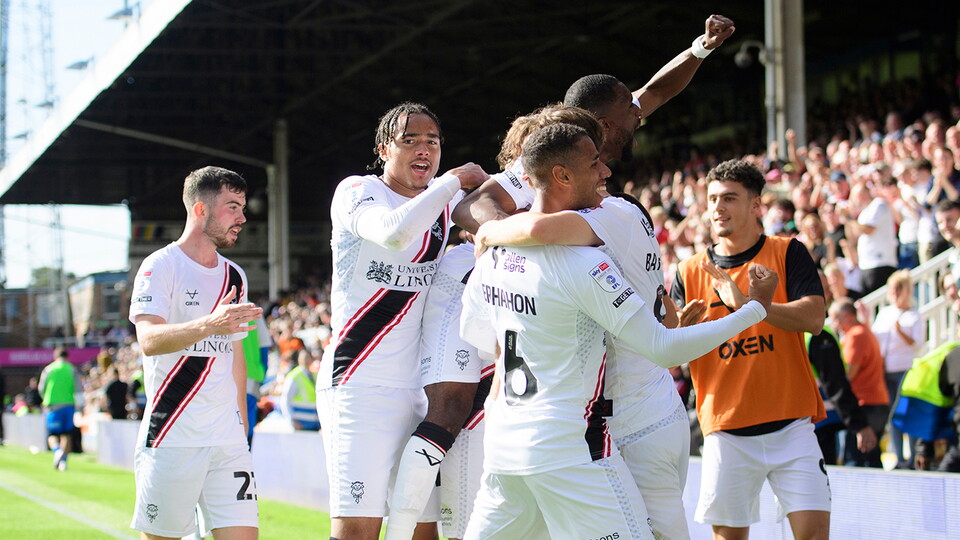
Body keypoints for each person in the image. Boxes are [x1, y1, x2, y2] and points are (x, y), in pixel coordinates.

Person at [460, 124, 776, 540]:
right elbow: (663, 348)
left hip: (503, 449)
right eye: (595, 163)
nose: (606, 171)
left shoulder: (489, 256)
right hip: (569, 450)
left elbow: (483, 340)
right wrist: (754, 309)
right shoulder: (586, 261)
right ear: (562, 175)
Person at [469, 105, 693, 539]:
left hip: (632, 415)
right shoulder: (548, 243)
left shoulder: (609, 215)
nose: (605, 171)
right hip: (577, 425)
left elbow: (536, 229)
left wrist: (490, 233)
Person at [318, 102, 487, 540]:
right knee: (358, 529)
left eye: (433, 141)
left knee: (421, 531)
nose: (424, 149)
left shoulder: (443, 209)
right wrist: (453, 182)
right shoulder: (358, 191)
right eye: (409, 140)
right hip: (359, 383)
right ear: (382, 148)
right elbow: (394, 232)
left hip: (417, 391)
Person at [452, 13, 736, 231]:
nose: (638, 111)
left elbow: (657, 90)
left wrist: (702, 47)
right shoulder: (550, 156)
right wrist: (521, 239)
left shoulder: (601, 130)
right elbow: (471, 207)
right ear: (605, 125)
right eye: (630, 108)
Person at [670, 159, 829, 540]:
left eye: (729, 198)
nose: (718, 208)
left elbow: (814, 318)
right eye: (711, 199)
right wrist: (677, 334)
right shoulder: (689, 271)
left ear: (757, 205)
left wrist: (751, 307)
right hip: (725, 430)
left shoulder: (787, 251)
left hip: (792, 425)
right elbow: (671, 353)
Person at [128, 166, 263, 540]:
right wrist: (208, 325)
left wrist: (242, 425)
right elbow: (149, 340)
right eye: (232, 207)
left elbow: (235, 355)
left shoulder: (235, 275)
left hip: (227, 440)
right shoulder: (160, 265)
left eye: (242, 207)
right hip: (174, 435)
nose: (242, 217)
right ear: (200, 210)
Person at [806, 273, 877, 466]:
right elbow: (836, 383)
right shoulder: (817, 334)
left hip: (801, 426)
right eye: (825, 288)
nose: (829, 293)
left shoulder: (793, 330)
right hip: (818, 424)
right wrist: (859, 424)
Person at [871, 270, 924, 467]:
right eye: (892, 288)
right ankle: (900, 458)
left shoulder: (914, 315)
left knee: (905, 412)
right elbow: (876, 338)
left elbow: (917, 344)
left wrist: (901, 331)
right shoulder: (885, 313)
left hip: (905, 370)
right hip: (885, 370)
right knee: (891, 415)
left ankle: (910, 458)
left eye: (897, 288)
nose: (894, 292)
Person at [828, 298, 889, 468]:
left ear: (847, 316)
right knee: (871, 457)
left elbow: (848, 375)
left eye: (835, 318)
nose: (834, 324)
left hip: (865, 404)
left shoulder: (856, 335)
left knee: (856, 460)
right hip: (876, 401)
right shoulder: (865, 332)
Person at [39, 347, 82, 471]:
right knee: (66, 434)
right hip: (69, 405)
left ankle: (57, 452)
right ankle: (63, 462)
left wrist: (44, 399)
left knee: (52, 434)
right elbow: (78, 388)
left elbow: (42, 387)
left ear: (55, 357)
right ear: (67, 357)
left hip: (53, 405)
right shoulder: (71, 369)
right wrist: (80, 405)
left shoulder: (49, 369)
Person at [279, 349, 320, 431]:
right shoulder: (294, 376)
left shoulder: (315, 375)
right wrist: (291, 420)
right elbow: (285, 400)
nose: (306, 359)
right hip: (300, 424)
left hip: (314, 424)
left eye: (308, 357)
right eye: (304, 357)